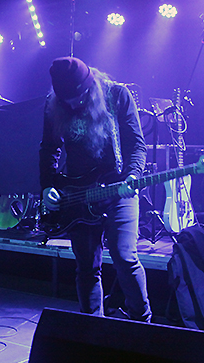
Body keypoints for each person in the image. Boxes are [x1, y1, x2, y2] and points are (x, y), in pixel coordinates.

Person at [39, 57, 151, 322]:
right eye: (67, 101)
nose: (73, 105)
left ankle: (143, 322)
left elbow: (137, 145)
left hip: (117, 188)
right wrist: (47, 186)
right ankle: (91, 327)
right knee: (87, 267)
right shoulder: (53, 104)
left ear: (90, 86)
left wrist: (132, 176)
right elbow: (49, 149)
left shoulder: (117, 95)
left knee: (124, 257)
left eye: (78, 98)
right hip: (78, 195)